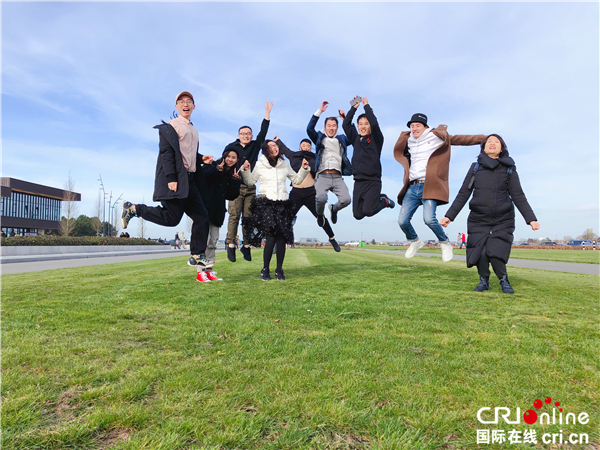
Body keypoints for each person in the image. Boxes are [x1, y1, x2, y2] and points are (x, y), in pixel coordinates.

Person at [120, 91, 213, 268]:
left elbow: (185, 153)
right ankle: (133, 209)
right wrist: (171, 178)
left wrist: (201, 159)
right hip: (176, 178)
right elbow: (167, 153)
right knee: (172, 219)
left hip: (190, 181)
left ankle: (197, 254)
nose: (185, 104)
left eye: (189, 102)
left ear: (194, 106)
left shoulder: (193, 130)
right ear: (176, 106)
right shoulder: (172, 127)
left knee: (202, 217)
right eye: (181, 102)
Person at [440, 134, 540, 294]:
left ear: (502, 148)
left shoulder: (509, 169)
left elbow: (518, 195)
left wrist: (531, 219)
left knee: (496, 251)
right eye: (489, 142)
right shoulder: (475, 167)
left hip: (503, 218)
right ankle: (483, 280)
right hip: (478, 218)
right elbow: (463, 194)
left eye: (496, 142)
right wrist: (449, 216)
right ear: (484, 147)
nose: (492, 143)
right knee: (479, 251)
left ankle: (503, 280)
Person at [393, 113, 486, 262]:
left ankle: (445, 243)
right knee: (402, 221)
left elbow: (461, 139)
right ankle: (415, 241)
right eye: (412, 126)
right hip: (412, 186)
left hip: (429, 185)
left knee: (429, 219)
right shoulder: (408, 140)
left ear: (425, 127)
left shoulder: (435, 137)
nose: (414, 128)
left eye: (417, 125)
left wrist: (485, 138)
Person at [240, 140, 310, 281]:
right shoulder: (260, 164)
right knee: (271, 237)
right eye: (271, 146)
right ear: (266, 149)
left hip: (282, 204)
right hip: (266, 203)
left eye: (276, 145)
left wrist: (303, 169)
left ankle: (279, 269)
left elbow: (296, 180)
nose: (275, 147)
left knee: (282, 238)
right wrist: (246, 171)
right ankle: (265, 269)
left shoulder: (284, 164)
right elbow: (250, 182)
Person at [224, 102, 273, 263]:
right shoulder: (230, 147)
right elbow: (225, 164)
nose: (246, 136)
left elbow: (263, 132)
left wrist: (267, 113)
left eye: (248, 133)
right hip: (234, 186)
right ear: (238, 135)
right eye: (243, 133)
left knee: (249, 217)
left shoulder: (254, 146)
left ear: (251, 136)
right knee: (234, 216)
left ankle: (246, 245)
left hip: (250, 185)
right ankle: (230, 244)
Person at [274, 136, 341, 252]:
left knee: (320, 216)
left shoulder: (315, 157)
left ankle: (332, 238)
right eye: (304, 145)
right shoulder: (293, 155)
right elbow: (284, 149)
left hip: (311, 192)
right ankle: (278, 243)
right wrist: (277, 141)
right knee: (286, 218)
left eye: (308, 146)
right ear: (300, 147)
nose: (306, 147)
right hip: (296, 193)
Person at [341, 96, 395, 220]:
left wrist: (366, 106)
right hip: (358, 182)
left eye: (366, 124)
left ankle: (385, 201)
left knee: (368, 211)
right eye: (360, 124)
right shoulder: (356, 140)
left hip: (372, 181)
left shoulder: (377, 140)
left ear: (370, 126)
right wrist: (353, 108)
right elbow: (346, 125)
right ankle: (379, 200)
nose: (363, 126)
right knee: (358, 215)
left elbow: (375, 124)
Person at [195, 149, 242, 282]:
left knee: (213, 242)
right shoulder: (213, 165)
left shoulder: (232, 174)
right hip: (203, 208)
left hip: (217, 211)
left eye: (233, 157)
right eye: (228, 156)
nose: (230, 159)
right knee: (202, 242)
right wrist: (216, 169)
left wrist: (235, 181)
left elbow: (231, 195)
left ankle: (209, 270)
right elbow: (202, 178)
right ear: (224, 156)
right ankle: (200, 272)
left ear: (237, 160)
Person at [306, 101, 353, 227]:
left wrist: (346, 119)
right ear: (325, 127)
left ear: (337, 127)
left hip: (337, 176)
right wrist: (319, 111)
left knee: (346, 200)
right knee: (321, 199)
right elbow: (309, 129)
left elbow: (353, 136)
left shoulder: (342, 138)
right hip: (322, 175)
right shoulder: (319, 138)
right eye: (329, 125)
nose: (331, 128)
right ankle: (320, 215)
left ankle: (334, 209)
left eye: (334, 126)